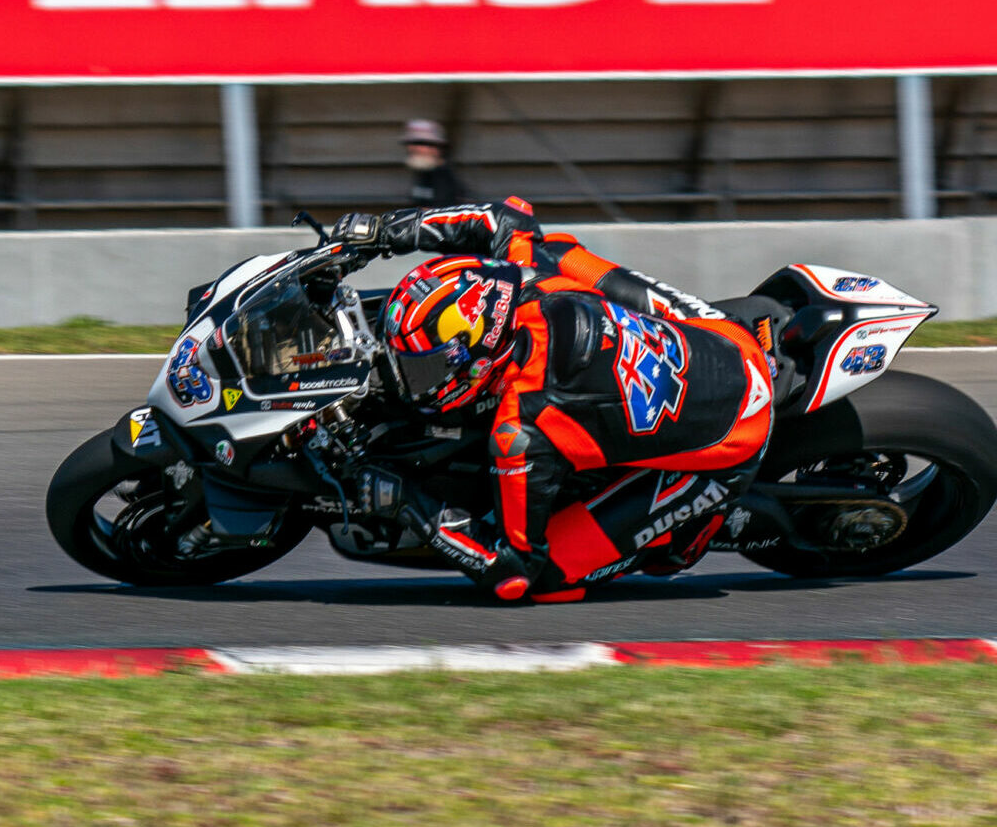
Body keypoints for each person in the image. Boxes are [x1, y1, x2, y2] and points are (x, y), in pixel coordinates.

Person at [330, 198, 775, 603]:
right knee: (556, 253)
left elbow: (511, 571)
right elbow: (508, 215)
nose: (403, 375)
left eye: (422, 369)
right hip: (727, 337)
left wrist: (407, 500)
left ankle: (683, 535)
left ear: (480, 363)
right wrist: (385, 231)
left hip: (735, 437)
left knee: (544, 583)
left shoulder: (521, 429)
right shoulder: (526, 282)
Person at [402, 118, 469, 207]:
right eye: (410, 143)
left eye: (419, 143)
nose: (412, 148)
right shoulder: (424, 172)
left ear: (436, 147)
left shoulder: (444, 179)